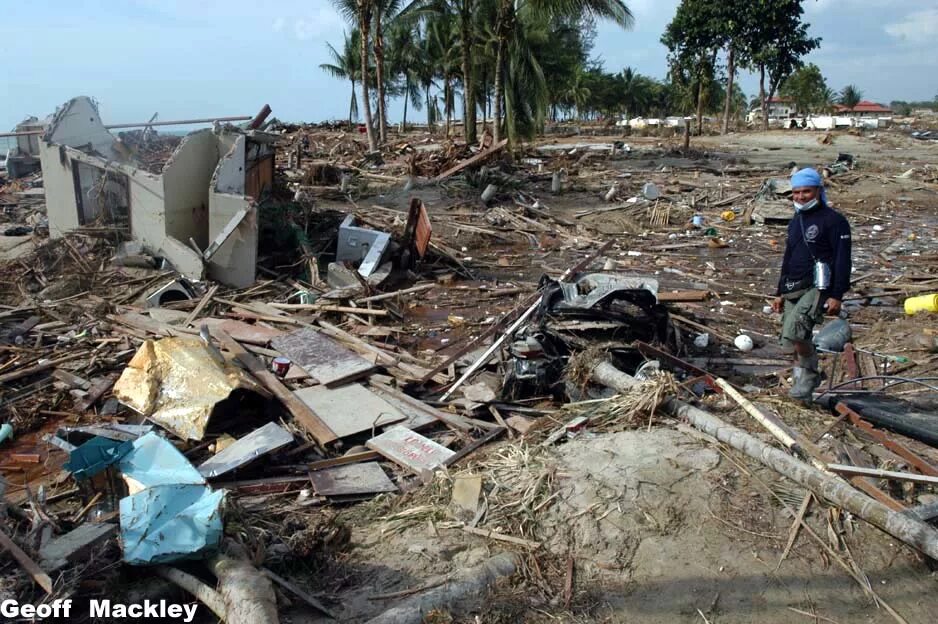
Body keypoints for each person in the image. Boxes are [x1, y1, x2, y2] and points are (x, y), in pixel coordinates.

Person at [771, 168, 852, 402]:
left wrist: (836, 294)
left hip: (817, 287)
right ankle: (800, 387)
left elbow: (842, 259)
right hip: (792, 286)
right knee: (790, 342)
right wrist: (779, 292)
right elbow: (788, 256)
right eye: (796, 192)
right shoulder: (797, 220)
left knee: (796, 332)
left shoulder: (834, 221)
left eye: (806, 191)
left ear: (818, 190)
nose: (800, 197)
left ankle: (810, 375)